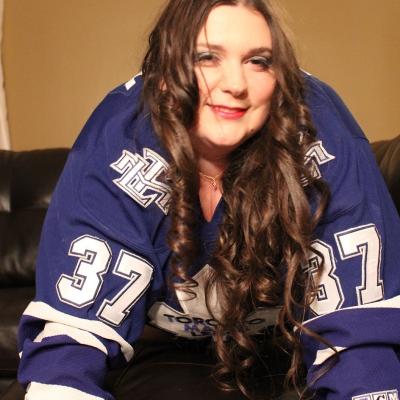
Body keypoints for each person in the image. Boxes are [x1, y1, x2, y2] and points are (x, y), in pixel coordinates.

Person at [17, 1, 400, 399]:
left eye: (258, 61)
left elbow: (360, 339)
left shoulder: (323, 133)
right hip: (165, 341)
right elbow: (72, 342)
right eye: (207, 57)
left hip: (287, 336)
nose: (235, 83)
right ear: (164, 72)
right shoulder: (118, 140)